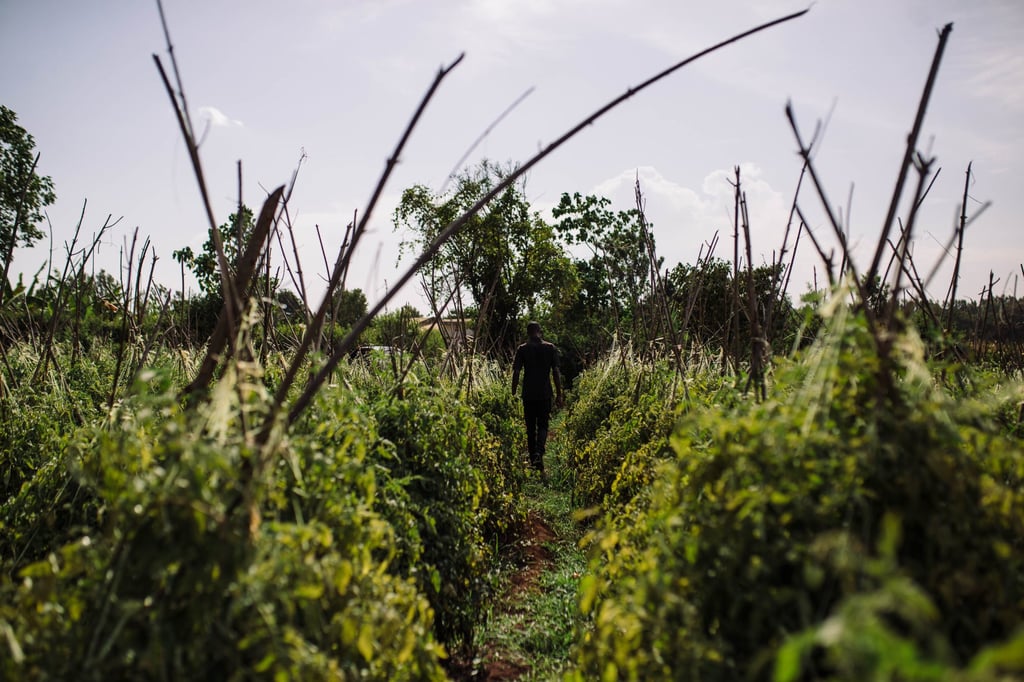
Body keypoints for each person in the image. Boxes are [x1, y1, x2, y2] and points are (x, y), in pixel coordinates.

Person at [511, 321, 564, 476]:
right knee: (543, 425)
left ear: (528, 332)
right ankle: (539, 453)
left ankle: (534, 460)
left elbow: (516, 371)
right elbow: (555, 372)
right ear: (540, 331)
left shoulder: (522, 349)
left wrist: (513, 391)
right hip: (544, 393)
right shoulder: (550, 348)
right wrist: (559, 393)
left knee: (530, 428)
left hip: (528, 394)